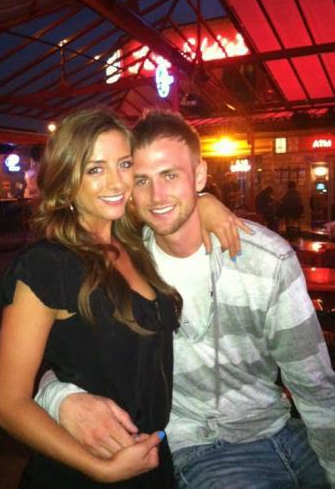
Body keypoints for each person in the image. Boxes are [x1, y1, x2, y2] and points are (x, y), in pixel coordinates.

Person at [36, 110, 335, 488]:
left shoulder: (267, 259)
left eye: (170, 175)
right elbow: (78, 358)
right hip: (202, 448)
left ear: (200, 175)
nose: (156, 196)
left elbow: (313, 383)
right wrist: (59, 397)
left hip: (285, 430)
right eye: (141, 179)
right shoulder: (129, 267)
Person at [0, 108, 245, 489]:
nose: (116, 181)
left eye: (124, 164)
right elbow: (8, 404)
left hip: (153, 461)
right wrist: (99, 469)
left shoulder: (135, 244)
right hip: (83, 472)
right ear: (66, 181)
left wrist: (204, 201)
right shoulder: (47, 265)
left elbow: (176, 211)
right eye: (95, 169)